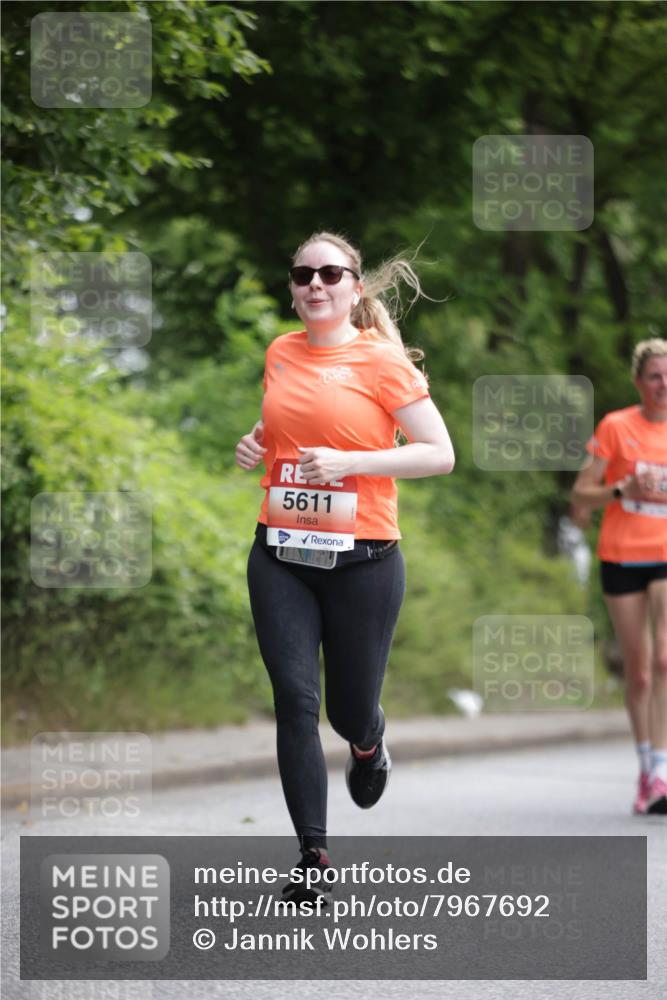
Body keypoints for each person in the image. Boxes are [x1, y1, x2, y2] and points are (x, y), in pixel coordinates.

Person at [235, 232, 454, 901]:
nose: (314, 284)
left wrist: (353, 463)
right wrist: (257, 442)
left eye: (330, 273)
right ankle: (313, 857)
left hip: (364, 559)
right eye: (302, 274)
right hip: (282, 553)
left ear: (354, 287)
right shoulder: (280, 351)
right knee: (294, 702)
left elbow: (437, 452)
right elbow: (288, 426)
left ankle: (368, 739)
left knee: (346, 709)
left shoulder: (382, 362)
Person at [571, 338, 667, 815]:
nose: (663, 384)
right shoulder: (616, 427)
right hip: (622, 555)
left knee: (666, 658)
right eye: (654, 375)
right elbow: (581, 495)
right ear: (639, 382)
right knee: (642, 669)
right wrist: (621, 489)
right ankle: (647, 770)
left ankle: (664, 772)